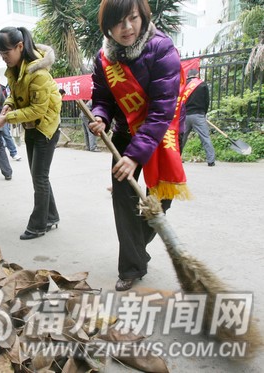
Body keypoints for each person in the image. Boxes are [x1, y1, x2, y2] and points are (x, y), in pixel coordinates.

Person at [88, 0, 188, 291]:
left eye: (132, 18)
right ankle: (131, 266)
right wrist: (100, 117)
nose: (127, 28)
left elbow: (161, 111)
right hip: (124, 133)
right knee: (124, 198)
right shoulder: (104, 58)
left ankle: (136, 246)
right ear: (107, 26)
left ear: (143, 16)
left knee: (160, 200)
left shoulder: (162, 49)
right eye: (118, 22)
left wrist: (134, 156)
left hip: (161, 133)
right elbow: (103, 98)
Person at [0, 26, 61, 240]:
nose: (4, 58)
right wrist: (8, 105)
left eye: (6, 53)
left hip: (45, 127)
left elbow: (38, 109)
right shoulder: (15, 69)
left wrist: (8, 118)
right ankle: (51, 216)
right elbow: (15, 94)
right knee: (38, 175)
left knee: (39, 177)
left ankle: (39, 224)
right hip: (31, 126)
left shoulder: (38, 73)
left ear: (20, 46)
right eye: (1, 54)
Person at [181, 69, 216, 166]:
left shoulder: (184, 85)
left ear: (188, 76)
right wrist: (203, 113)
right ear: (197, 75)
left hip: (185, 116)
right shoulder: (202, 84)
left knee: (181, 138)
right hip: (198, 115)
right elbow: (206, 101)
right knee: (205, 137)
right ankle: (211, 160)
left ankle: (176, 158)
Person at [0, 73, 22, 162]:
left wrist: (5, 114)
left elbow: (6, 101)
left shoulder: (2, 88)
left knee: (7, 135)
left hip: (2, 116)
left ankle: (14, 153)